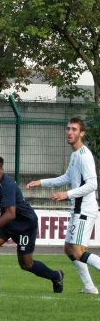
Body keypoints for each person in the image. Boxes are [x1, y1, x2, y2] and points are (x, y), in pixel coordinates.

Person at [26, 117, 100, 294]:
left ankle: (90, 287)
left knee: (78, 251)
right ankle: (89, 287)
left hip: (84, 210)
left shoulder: (84, 155)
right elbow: (67, 177)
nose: (69, 132)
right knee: (69, 249)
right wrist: (41, 182)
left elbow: (92, 185)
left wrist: (66, 194)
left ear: (82, 133)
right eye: (68, 129)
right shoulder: (75, 155)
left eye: (74, 129)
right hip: (77, 209)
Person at [0, 155, 64, 292]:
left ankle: (56, 276)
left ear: (1, 170)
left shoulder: (8, 185)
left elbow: (11, 213)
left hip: (25, 225)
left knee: (26, 264)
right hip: (8, 223)